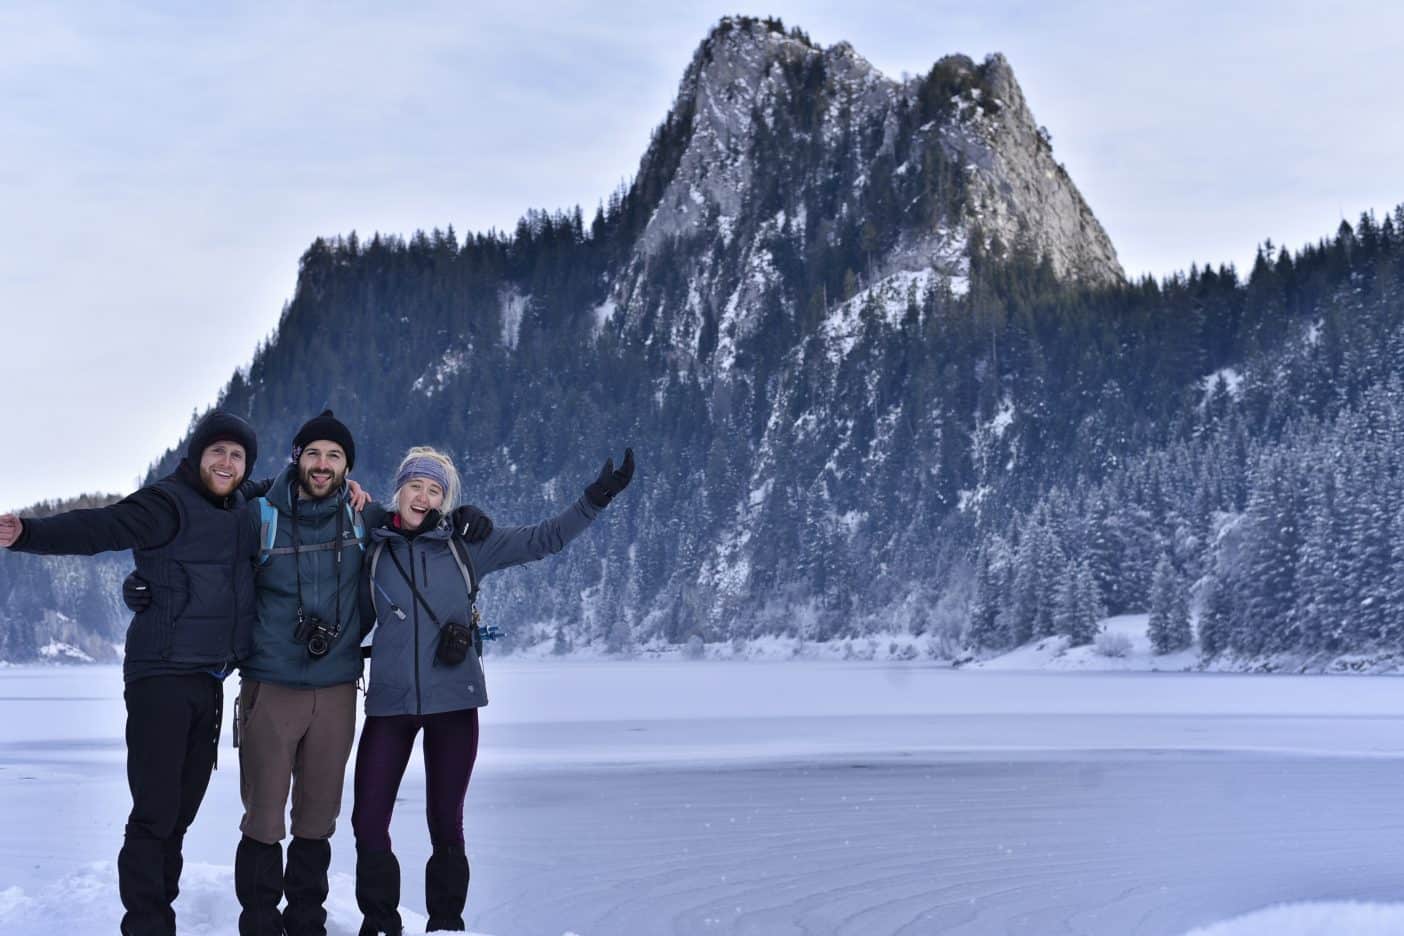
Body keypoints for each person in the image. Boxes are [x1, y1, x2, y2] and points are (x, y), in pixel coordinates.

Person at [225, 411, 491, 936]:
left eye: (335, 456)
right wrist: (154, 584)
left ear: (348, 467)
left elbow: (414, 522)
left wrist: (467, 516)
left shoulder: (363, 520)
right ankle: (258, 924)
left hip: (338, 689)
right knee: (262, 818)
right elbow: (208, 550)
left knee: (317, 819)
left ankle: (307, 925)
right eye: (313, 453)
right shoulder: (257, 514)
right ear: (296, 458)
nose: (323, 465)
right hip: (272, 683)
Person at [351, 444, 634, 935]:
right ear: (399, 491)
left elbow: (544, 539)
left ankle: (444, 925)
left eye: (434, 490)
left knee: (446, 821)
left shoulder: (467, 546)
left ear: (444, 500)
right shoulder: (372, 545)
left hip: (454, 705)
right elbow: (323, 505)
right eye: (415, 486)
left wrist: (595, 499)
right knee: (367, 820)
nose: (423, 496)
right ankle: (379, 924)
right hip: (390, 705)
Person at [0, 410, 261, 936]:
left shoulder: (243, 507)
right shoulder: (166, 503)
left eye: (237, 455)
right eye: (217, 452)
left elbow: (279, 488)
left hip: (209, 681)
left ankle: (158, 912)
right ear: (197, 457)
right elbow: (99, 526)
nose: (227, 462)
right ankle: (146, 925)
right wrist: (27, 532)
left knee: (180, 815)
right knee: (154, 814)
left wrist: (339, 487)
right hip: (160, 679)